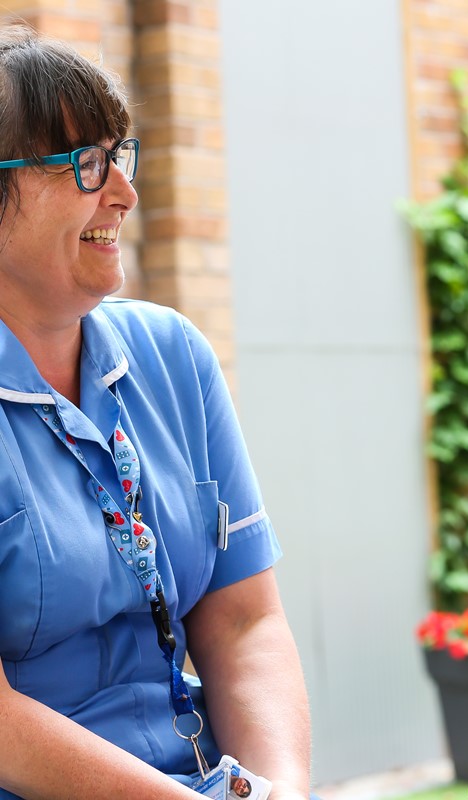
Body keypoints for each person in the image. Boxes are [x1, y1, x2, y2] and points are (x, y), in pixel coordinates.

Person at [0, 26, 311, 800]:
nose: (124, 193)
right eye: (85, 164)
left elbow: (245, 625)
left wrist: (280, 791)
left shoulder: (171, 354)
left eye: (118, 156)